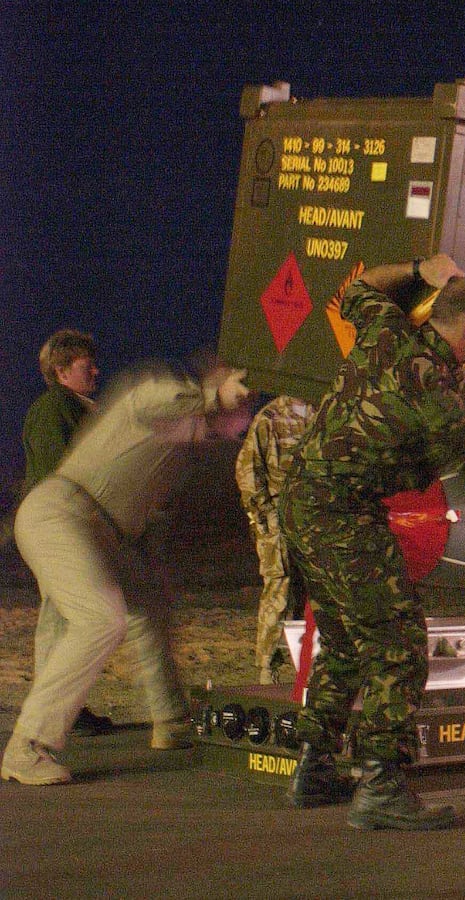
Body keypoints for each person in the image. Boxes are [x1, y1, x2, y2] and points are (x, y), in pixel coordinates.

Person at [282, 253, 465, 830]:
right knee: (398, 645)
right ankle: (382, 789)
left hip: (303, 501)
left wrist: (421, 268)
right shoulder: (433, 392)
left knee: (346, 641)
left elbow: (360, 287)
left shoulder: (388, 331)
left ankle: (315, 768)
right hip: (344, 512)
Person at [1, 362, 252, 785]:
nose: (235, 424)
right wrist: (212, 394)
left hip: (102, 533)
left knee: (150, 600)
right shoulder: (158, 398)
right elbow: (150, 398)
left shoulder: (187, 441)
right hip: (63, 513)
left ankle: (170, 720)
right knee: (101, 619)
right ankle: (27, 746)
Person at [20, 328, 116, 738]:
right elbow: (59, 471)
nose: (95, 370)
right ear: (60, 372)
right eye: (84, 366)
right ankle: (55, 716)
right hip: (60, 527)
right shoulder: (54, 409)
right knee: (64, 619)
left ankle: (64, 709)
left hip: (67, 526)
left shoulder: (74, 407)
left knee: (63, 618)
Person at [235, 394, 313, 685]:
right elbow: (247, 469)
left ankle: (305, 662)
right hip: (278, 517)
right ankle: (267, 664)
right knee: (279, 587)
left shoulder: (317, 413)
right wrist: (263, 513)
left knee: (307, 591)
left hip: (308, 517)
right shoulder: (270, 417)